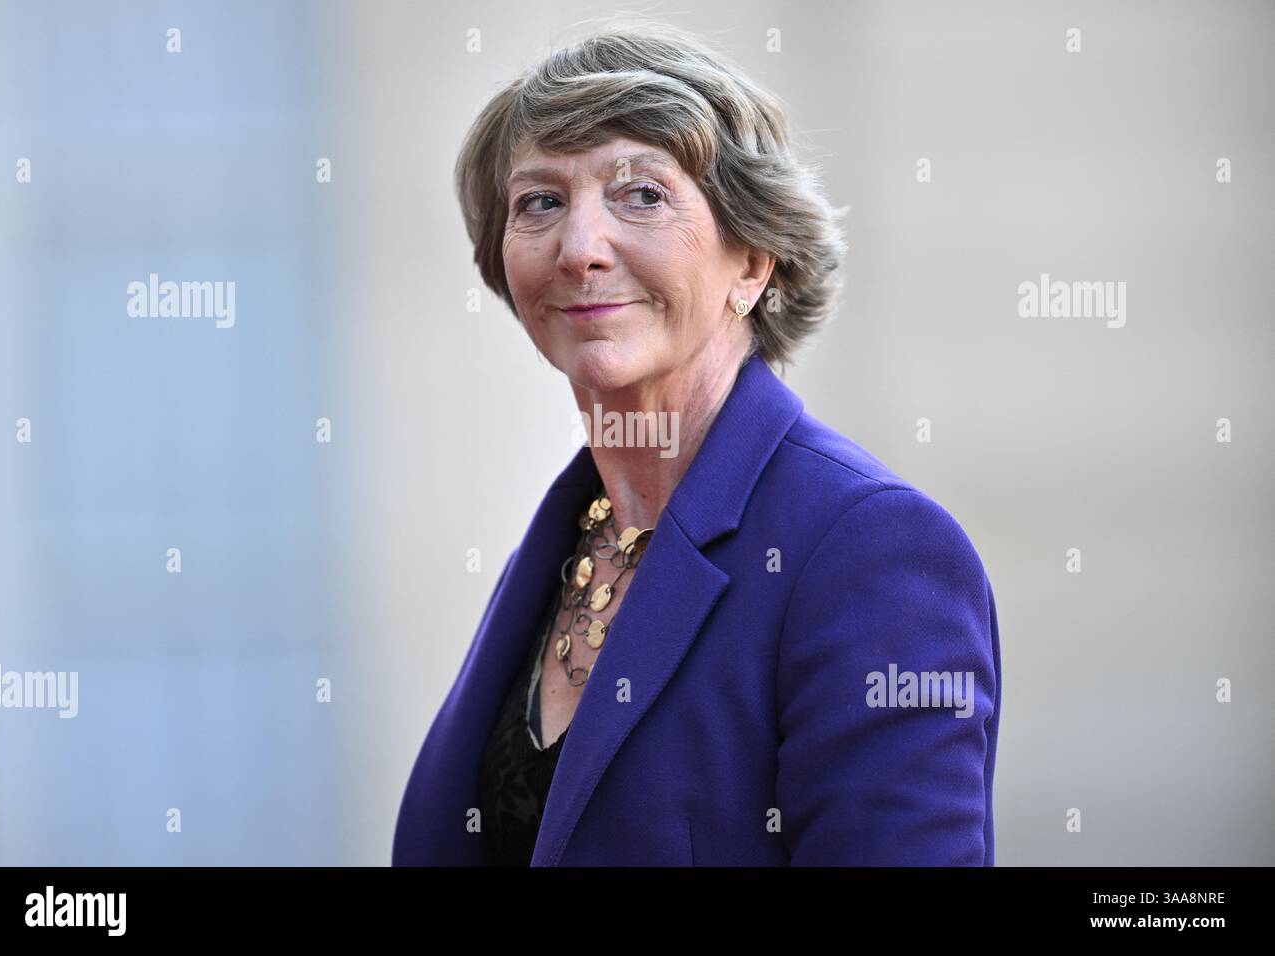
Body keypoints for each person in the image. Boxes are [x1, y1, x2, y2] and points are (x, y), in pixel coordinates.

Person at [392, 22, 1001, 866]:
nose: (580, 250)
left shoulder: (870, 550)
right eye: (540, 202)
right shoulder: (574, 537)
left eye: (641, 194)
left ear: (752, 261)